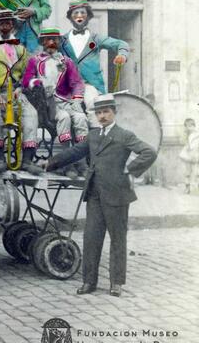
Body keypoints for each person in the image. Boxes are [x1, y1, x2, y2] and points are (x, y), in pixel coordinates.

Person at [45, 94, 157, 297]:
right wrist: (51, 162)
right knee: (91, 238)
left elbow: (149, 152)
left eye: (106, 112)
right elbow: (75, 152)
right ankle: (89, 281)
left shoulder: (125, 135)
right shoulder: (93, 136)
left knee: (117, 239)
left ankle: (116, 283)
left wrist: (129, 169)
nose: (102, 116)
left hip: (117, 195)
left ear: (114, 112)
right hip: (95, 194)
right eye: (99, 113)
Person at [22, 28, 89, 178]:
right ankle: (68, 164)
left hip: (68, 101)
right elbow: (26, 81)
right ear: (42, 42)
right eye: (48, 40)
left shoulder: (66, 62)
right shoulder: (35, 60)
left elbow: (77, 83)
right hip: (48, 105)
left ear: (59, 42)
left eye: (55, 39)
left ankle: (82, 163)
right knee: (64, 118)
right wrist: (38, 82)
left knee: (81, 119)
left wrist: (77, 99)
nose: (51, 43)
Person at [0, 10, 42, 174]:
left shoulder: (22, 50)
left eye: (8, 23)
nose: (4, 27)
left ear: (13, 26)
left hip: (16, 93)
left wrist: (20, 88)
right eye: (1, 24)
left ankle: (27, 160)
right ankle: (1, 158)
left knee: (31, 113)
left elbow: (27, 73)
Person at [59, 0, 129, 127]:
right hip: (68, 85)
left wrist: (122, 54)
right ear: (70, 17)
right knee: (64, 110)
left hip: (90, 84)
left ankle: (96, 138)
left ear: (88, 16)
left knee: (93, 105)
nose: (79, 16)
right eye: (75, 13)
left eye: (83, 13)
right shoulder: (62, 41)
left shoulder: (96, 38)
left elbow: (121, 44)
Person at [179, 118, 199, 194]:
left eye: (190, 126)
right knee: (187, 171)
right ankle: (187, 187)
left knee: (196, 171)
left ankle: (196, 187)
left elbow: (196, 145)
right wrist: (185, 135)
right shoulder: (187, 135)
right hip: (188, 154)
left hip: (196, 154)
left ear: (194, 126)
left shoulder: (197, 135)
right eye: (187, 127)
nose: (188, 128)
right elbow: (183, 142)